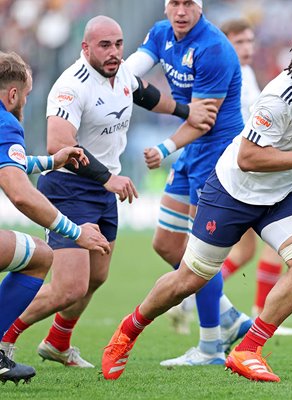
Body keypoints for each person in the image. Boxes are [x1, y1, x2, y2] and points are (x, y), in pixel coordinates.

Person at [101, 19, 292, 382]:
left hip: (284, 193)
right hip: (235, 190)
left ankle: (248, 349)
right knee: (190, 279)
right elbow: (248, 157)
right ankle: (126, 333)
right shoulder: (278, 97)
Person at [0, 15, 215, 368]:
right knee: (69, 287)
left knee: (96, 277)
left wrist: (186, 111)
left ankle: (57, 342)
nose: (114, 52)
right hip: (71, 188)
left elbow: (145, 95)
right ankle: (4, 339)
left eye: (118, 44)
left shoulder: (122, 73)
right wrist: (108, 180)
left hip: (102, 189)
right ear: (85, 48)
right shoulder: (71, 86)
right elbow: (59, 143)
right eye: (104, 45)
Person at [124, 0, 252, 367]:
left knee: (200, 255)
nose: (181, 10)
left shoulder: (213, 47)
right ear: (166, 8)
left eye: (188, 3)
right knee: (166, 244)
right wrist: (113, 73)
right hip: (190, 153)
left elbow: (202, 120)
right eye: (174, 3)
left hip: (215, 155)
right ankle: (227, 316)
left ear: (200, 7)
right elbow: (132, 68)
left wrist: (164, 148)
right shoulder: (162, 33)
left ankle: (211, 346)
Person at [0, 51, 111, 383]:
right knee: (40, 255)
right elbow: (19, 192)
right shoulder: (6, 120)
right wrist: (75, 232)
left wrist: (51, 161)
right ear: (14, 94)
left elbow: (11, 163)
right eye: (27, 96)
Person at [218, 18, 292, 337]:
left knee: (245, 251)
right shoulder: (223, 74)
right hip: (235, 172)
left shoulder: (247, 73)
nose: (248, 48)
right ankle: (208, 298)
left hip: (251, 167)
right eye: (240, 42)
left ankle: (200, 296)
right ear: (224, 44)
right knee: (267, 246)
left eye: (250, 41)